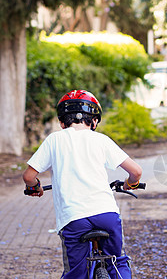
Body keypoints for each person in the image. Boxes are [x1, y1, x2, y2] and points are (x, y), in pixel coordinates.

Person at [22, 89, 143, 278]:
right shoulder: (101, 139)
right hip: (106, 214)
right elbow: (136, 172)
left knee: (76, 272)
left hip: (73, 218)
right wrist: (130, 184)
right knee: (116, 261)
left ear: (62, 122)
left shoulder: (54, 140)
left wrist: (34, 187)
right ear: (94, 121)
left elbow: (29, 176)